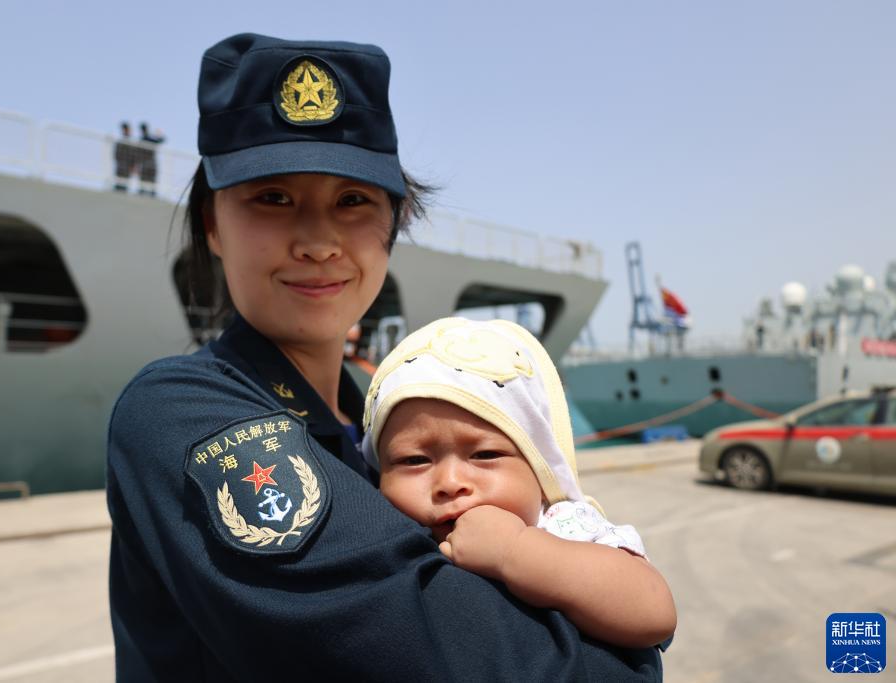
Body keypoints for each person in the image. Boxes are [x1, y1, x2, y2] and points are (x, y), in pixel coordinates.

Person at [106, 32, 664, 681]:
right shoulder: (181, 412)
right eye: (273, 197)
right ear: (212, 224)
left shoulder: (373, 430)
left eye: (353, 201)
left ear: (393, 226)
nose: (318, 242)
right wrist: (629, 656)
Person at [362, 317, 677, 649]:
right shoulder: (386, 542)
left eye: (484, 455)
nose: (450, 483)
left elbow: (654, 612)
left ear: (540, 468)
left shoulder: (561, 526)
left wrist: (515, 551)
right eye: (415, 460)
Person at [137, 122, 164, 196]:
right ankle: (151, 194)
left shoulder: (142, 139)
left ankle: (145, 193)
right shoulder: (150, 138)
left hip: (147, 163)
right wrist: (158, 135)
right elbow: (161, 140)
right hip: (150, 163)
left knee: (145, 182)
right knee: (150, 182)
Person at [112, 121, 136, 191]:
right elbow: (116, 155)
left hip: (125, 168)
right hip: (121, 167)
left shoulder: (129, 143)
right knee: (119, 185)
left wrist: (133, 166)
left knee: (124, 186)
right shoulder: (121, 142)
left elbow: (133, 156)